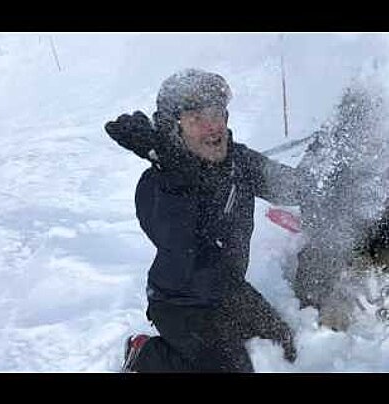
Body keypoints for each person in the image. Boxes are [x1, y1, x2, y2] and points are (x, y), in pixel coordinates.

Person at [105, 68, 301, 372]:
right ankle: (144, 352)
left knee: (285, 345)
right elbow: (177, 244)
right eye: (196, 118)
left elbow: (291, 185)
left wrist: (334, 172)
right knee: (229, 369)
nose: (213, 126)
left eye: (217, 114)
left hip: (229, 288)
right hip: (180, 303)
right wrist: (176, 174)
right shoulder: (158, 184)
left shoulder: (239, 163)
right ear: (174, 129)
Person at [292, 87, 389, 331]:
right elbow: (309, 198)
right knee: (311, 295)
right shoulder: (327, 146)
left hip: (384, 239)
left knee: (383, 295)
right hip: (333, 237)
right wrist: (340, 244)